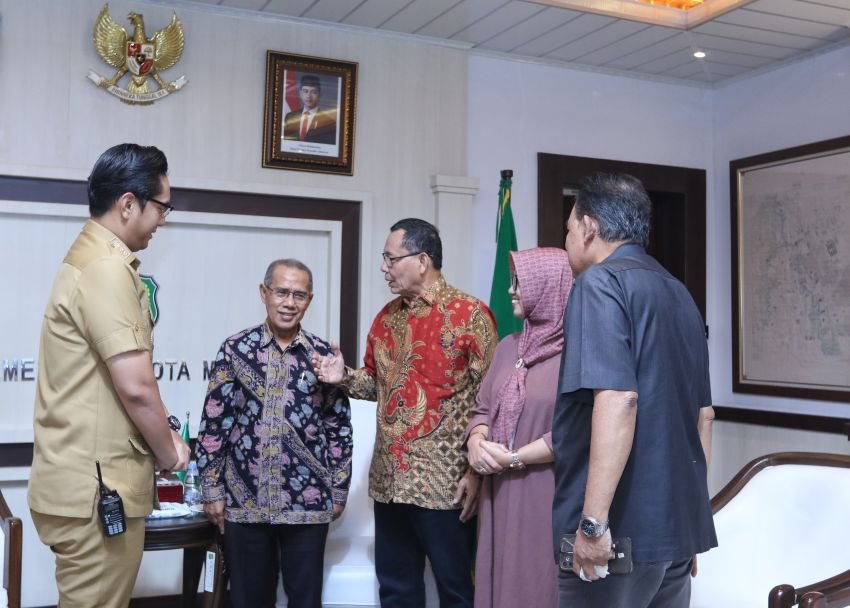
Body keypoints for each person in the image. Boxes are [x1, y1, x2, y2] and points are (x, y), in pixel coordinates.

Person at [27, 143, 191, 607]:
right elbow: (137, 387)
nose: (163, 219)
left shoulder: (90, 257)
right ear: (127, 204)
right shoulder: (105, 267)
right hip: (95, 492)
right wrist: (170, 451)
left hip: (80, 485)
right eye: (162, 206)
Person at [312, 218, 497, 608]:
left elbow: (493, 403)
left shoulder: (472, 316)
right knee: (396, 590)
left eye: (390, 258)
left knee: (456, 590)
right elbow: (376, 385)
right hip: (390, 483)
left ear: (422, 260)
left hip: (447, 487)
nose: (384, 268)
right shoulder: (386, 318)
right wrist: (342, 377)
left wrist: (476, 473)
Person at [552, 172, 716, 608]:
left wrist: (591, 526)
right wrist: (690, 524)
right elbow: (704, 416)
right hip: (675, 532)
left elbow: (619, 399)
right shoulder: (680, 293)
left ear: (589, 227)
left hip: (618, 536)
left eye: (568, 230)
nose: (567, 241)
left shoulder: (599, 285)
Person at [195, 258, 353, 608]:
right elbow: (214, 424)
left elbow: (339, 427)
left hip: (307, 503)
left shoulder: (323, 356)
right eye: (281, 292)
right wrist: (211, 489)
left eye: (299, 295)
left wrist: (338, 487)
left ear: (309, 300)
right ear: (263, 293)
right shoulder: (235, 349)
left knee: (305, 599)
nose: (289, 302)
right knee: (250, 600)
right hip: (244, 499)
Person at [465, 247, 572, 608]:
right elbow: (481, 409)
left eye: (520, 282)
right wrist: (477, 443)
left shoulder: (576, 353)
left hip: (544, 493)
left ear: (547, 286)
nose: (511, 290)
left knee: (532, 586)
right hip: (497, 492)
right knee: (496, 583)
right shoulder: (508, 347)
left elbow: (574, 432)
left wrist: (513, 459)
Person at [283, 74, 337, 145]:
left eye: (314, 92)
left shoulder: (329, 122)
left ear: (319, 95)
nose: (309, 96)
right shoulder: (290, 117)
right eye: (305, 91)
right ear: (300, 93)